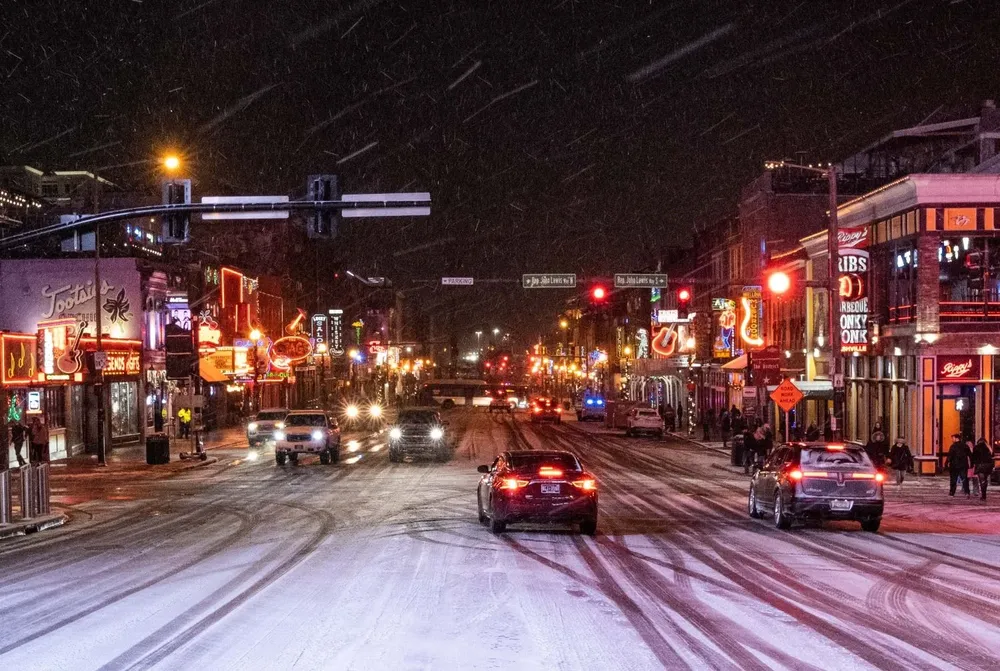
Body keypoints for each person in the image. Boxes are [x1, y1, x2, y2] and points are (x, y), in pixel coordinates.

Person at [945, 433, 973, 497]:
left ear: (956, 438)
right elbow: (970, 455)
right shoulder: (965, 446)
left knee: (953, 480)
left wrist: (946, 463)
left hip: (954, 465)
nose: (952, 439)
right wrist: (971, 464)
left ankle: (952, 492)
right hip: (963, 465)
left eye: (953, 438)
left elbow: (950, 456)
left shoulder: (953, 446)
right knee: (964, 479)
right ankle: (967, 492)